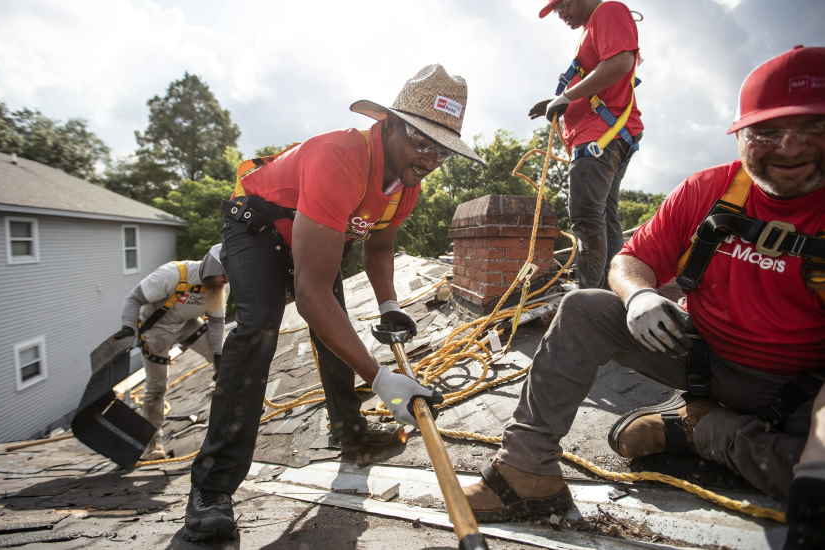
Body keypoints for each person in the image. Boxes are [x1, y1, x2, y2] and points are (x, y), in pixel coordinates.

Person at [463, 46, 825, 549]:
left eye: (813, 129)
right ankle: (526, 473)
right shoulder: (709, 191)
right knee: (585, 308)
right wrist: (637, 295)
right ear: (741, 134)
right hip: (705, 361)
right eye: (767, 131)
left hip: (802, 391)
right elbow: (630, 261)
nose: (788, 148)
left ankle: (707, 432)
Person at [182, 64, 484, 541]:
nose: (430, 158)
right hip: (257, 230)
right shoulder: (339, 156)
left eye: (442, 149)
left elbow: (380, 247)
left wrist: (388, 306)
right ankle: (212, 490)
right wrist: (382, 378)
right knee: (258, 328)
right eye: (422, 141)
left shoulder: (406, 186)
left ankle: (350, 433)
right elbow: (309, 295)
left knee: (335, 332)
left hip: (318, 238)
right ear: (389, 124)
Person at [529, 0, 643, 289]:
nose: (562, 14)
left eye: (564, 5)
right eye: (556, 11)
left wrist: (566, 98)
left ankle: (589, 294)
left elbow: (620, 63)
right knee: (603, 217)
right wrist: (562, 101)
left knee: (587, 217)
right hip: (607, 136)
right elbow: (603, 73)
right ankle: (610, 289)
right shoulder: (592, 27)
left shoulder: (608, 11)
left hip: (600, 138)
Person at [112, 245, 228, 460]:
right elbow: (134, 299)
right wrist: (128, 326)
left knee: (229, 362)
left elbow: (216, 323)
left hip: (186, 324)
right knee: (156, 388)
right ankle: (152, 444)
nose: (226, 281)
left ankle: (232, 422)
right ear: (211, 268)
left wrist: (219, 356)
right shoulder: (172, 274)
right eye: (224, 275)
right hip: (157, 328)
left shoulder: (219, 287)